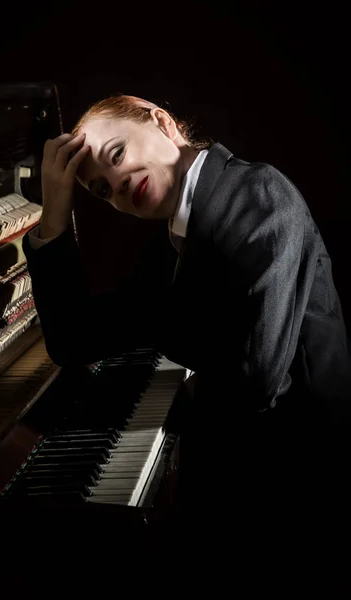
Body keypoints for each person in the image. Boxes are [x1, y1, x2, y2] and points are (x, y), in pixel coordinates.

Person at [23, 93, 351, 518]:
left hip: (304, 470)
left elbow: (255, 380)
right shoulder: (175, 240)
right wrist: (54, 212)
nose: (118, 184)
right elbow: (74, 340)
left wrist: (185, 393)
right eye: (102, 190)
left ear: (162, 122)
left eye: (116, 153)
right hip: (257, 457)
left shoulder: (256, 193)